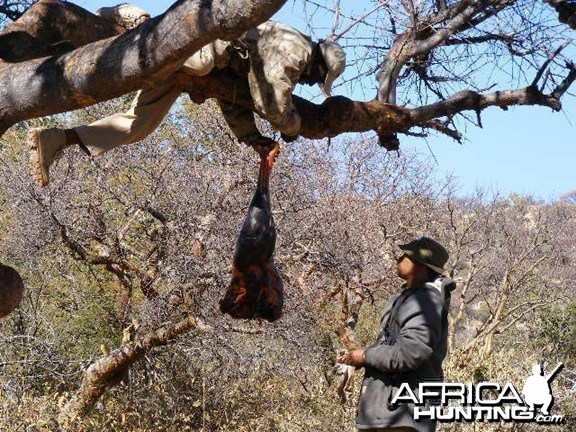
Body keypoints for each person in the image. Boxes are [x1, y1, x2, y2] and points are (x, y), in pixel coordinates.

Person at [27, 4, 346, 187]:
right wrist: (290, 128)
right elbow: (270, 101)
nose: (311, 83)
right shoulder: (296, 49)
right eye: (319, 78)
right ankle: (133, 20)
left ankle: (57, 139)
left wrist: (250, 137)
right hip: (202, 46)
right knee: (202, 62)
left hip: (199, 68)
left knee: (138, 127)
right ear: (320, 63)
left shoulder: (286, 54)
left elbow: (238, 96)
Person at [339, 236, 456, 432]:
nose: (398, 259)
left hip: (403, 418)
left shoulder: (425, 301)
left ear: (420, 264)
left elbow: (410, 352)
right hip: (389, 416)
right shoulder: (411, 298)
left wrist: (366, 355)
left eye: (405, 255)